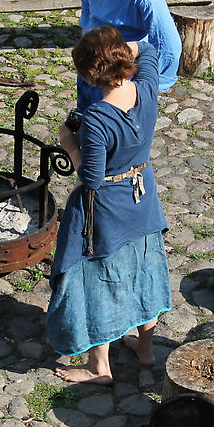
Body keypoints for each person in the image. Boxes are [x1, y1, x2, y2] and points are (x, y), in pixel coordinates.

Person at [47, 25, 172, 384]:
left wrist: (69, 143)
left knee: (96, 280)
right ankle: (145, 350)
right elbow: (148, 49)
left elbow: (92, 176)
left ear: (89, 75)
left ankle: (98, 367)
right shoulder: (147, 88)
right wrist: (126, 46)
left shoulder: (98, 119)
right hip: (143, 197)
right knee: (145, 270)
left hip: (108, 210)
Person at [65, 0, 182, 111]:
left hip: (117, 75)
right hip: (93, 64)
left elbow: (169, 44)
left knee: (108, 129)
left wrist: (150, 89)